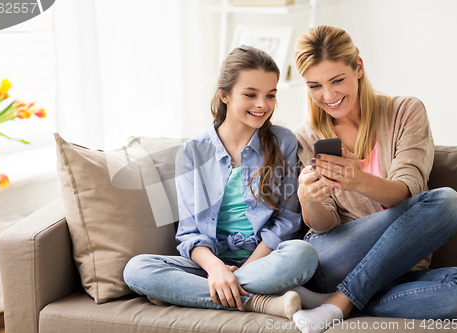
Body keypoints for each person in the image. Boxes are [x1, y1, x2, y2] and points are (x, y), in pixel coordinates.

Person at [291, 25, 457, 333]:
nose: (328, 95)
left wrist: (358, 180)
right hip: (335, 259)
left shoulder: (405, 112)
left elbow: (410, 192)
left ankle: (332, 302)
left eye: (337, 80)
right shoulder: (306, 136)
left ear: (358, 67)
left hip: (402, 266)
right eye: (315, 86)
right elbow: (324, 224)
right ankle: (340, 300)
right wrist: (308, 199)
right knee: (449, 201)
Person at [124, 46, 319, 319]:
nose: (262, 104)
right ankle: (259, 302)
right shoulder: (194, 152)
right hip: (209, 266)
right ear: (224, 95)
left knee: (303, 254)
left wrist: (246, 269)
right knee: (137, 268)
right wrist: (216, 270)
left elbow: (287, 221)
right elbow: (190, 232)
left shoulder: (282, 141)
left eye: (270, 95)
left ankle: (197, 294)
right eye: (250, 94)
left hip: (264, 261)